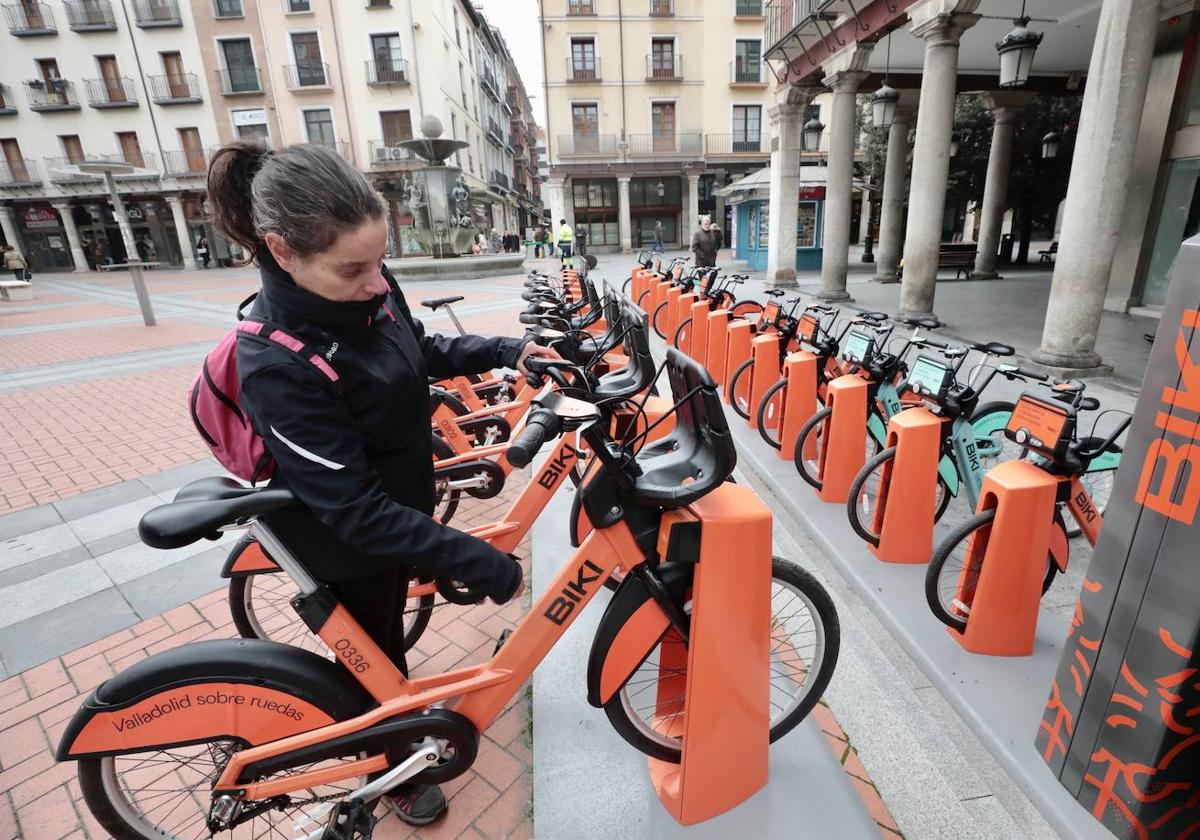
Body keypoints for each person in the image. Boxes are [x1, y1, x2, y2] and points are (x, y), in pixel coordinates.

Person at [206, 140, 562, 827]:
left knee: (390, 639)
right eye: (353, 270)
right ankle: (385, 774)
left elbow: (418, 349)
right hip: (345, 539)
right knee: (378, 660)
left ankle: (391, 733)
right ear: (283, 252)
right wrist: (474, 558)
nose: (377, 284)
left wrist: (506, 350)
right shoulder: (274, 360)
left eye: (381, 261)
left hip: (395, 505)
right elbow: (354, 511)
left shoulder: (367, 283)